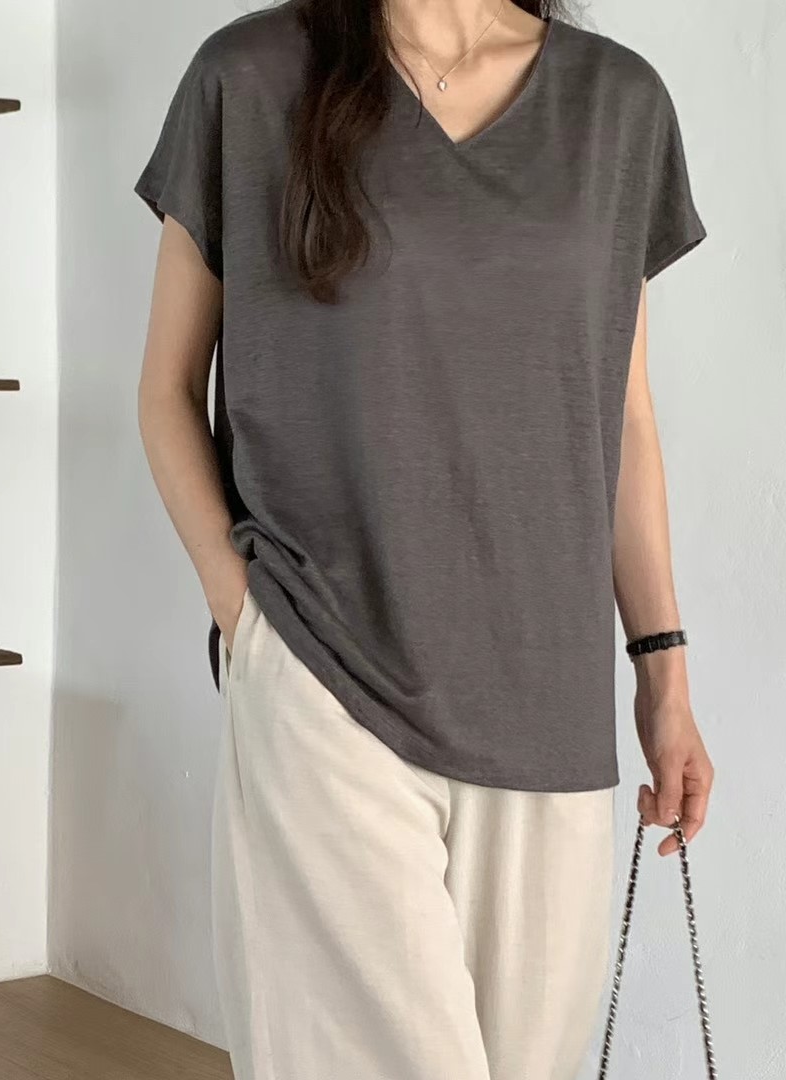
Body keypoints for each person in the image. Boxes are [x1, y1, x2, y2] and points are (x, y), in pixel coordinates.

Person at [136, 1, 715, 1077]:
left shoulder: (617, 105)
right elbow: (167, 386)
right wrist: (248, 618)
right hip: (326, 677)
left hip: (548, 709)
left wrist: (663, 676)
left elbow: (625, 418)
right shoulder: (248, 77)